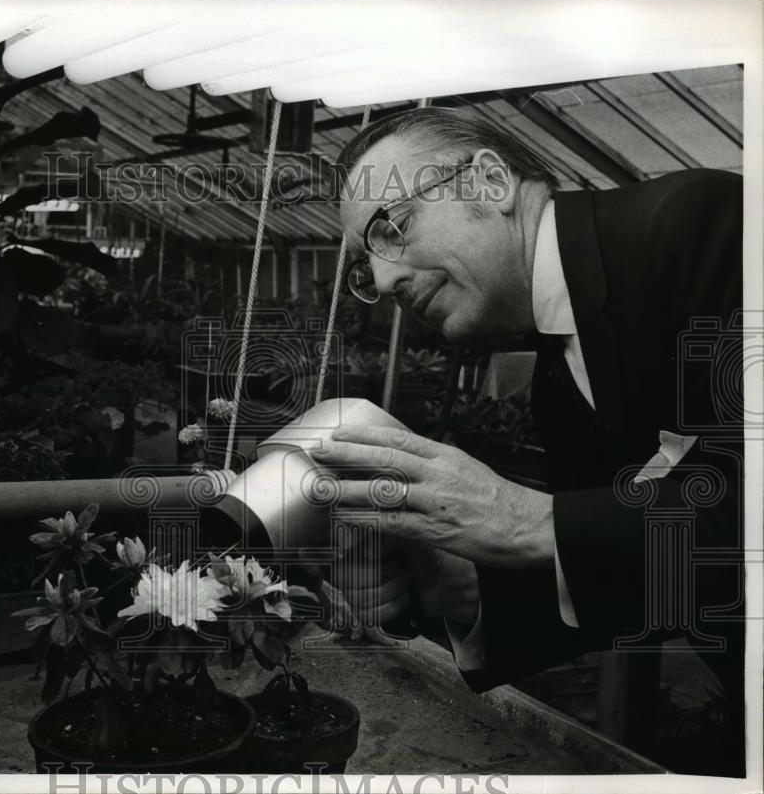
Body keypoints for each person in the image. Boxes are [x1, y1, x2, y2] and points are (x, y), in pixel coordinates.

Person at [309, 107, 744, 774]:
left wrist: (526, 518)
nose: (387, 280)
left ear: (489, 182)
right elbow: (653, 582)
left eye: (390, 227)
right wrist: (462, 584)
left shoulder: (702, 226)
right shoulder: (559, 376)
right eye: (367, 265)